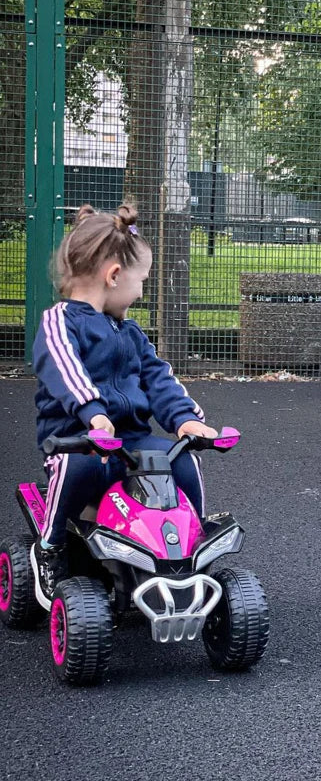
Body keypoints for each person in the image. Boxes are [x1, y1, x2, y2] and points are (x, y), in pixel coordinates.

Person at [31, 203, 217, 610]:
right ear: (114, 276)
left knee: (181, 461)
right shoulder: (61, 321)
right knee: (75, 467)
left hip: (129, 440)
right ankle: (51, 543)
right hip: (76, 439)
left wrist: (187, 421)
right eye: (142, 282)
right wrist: (93, 414)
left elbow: (160, 379)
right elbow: (64, 367)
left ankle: (192, 548)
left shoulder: (130, 332)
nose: (141, 291)